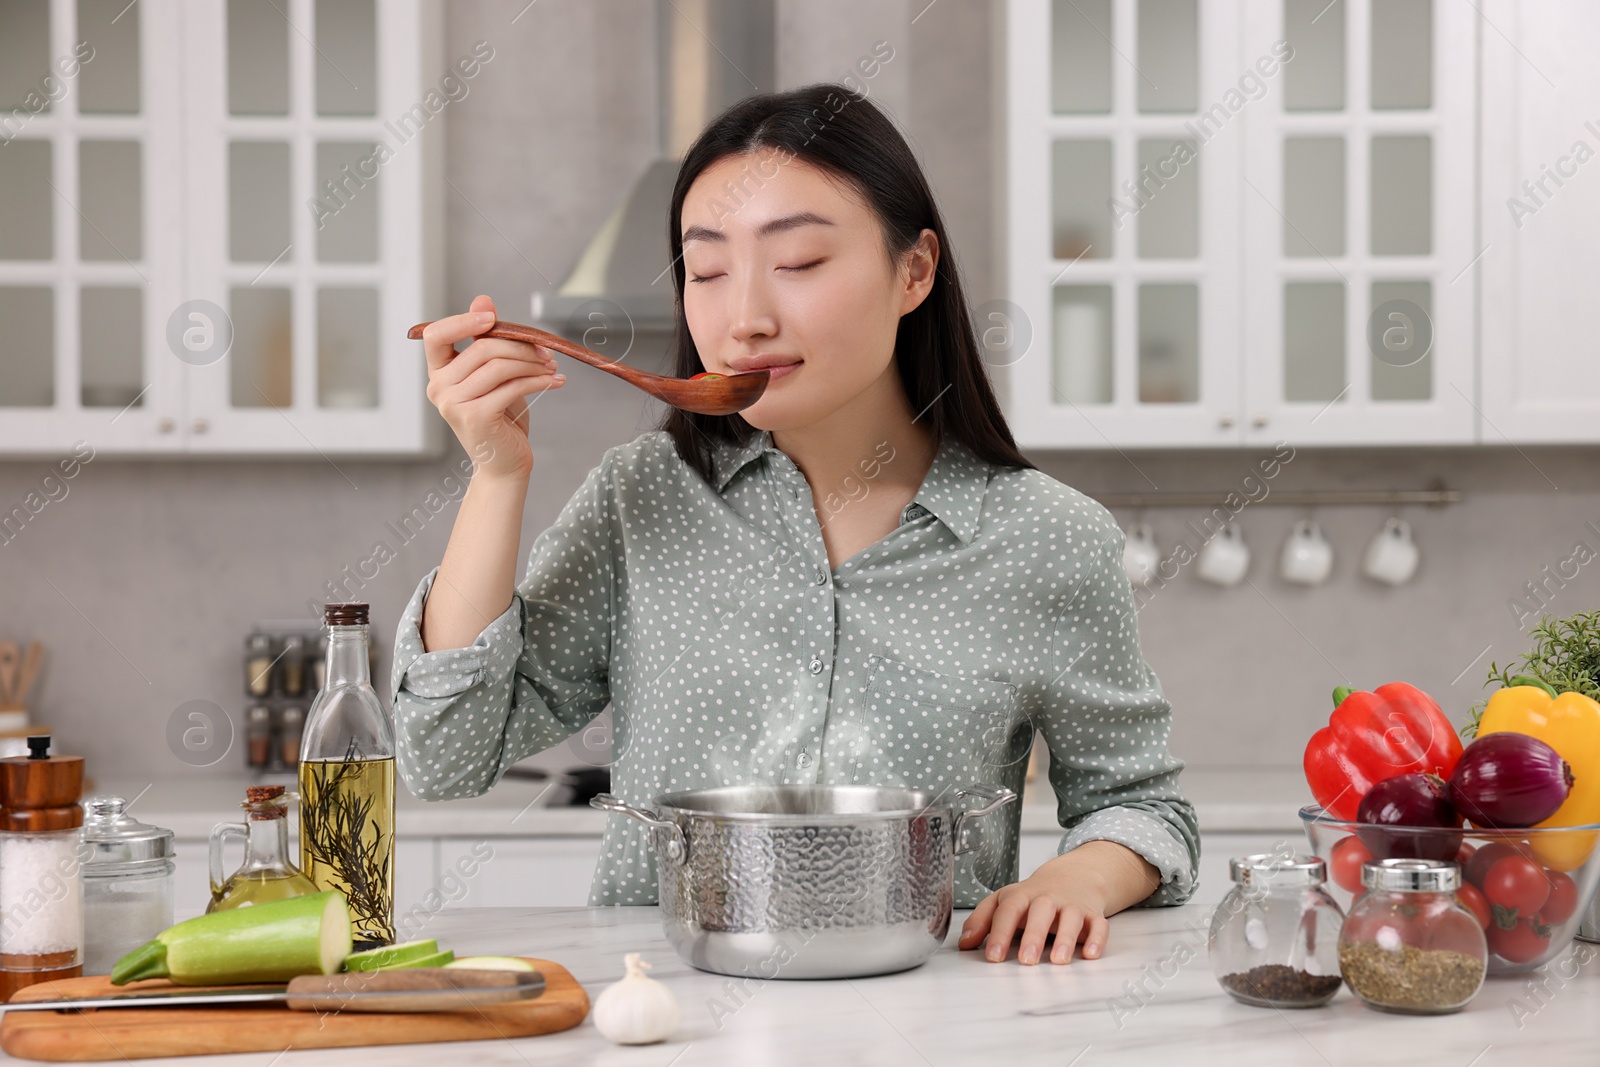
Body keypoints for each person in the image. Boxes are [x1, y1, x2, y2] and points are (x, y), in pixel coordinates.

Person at [392, 83, 1198, 966]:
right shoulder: (640, 500)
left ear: (915, 271)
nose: (744, 319)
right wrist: (496, 476)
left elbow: (1142, 804)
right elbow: (444, 757)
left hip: (936, 1018)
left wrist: (1080, 876)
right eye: (706, 272)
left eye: (801, 261)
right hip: (670, 1015)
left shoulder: (1049, 537)